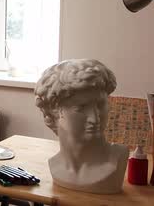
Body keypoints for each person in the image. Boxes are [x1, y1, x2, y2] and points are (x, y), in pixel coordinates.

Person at [34, 59, 129, 194]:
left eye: (101, 105)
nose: (95, 118)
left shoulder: (117, 159)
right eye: (81, 107)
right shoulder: (55, 164)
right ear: (54, 112)